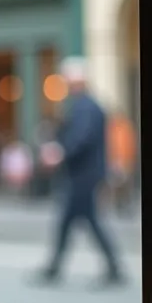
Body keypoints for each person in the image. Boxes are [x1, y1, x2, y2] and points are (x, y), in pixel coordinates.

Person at [37, 58, 123, 285]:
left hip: (84, 175)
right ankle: (56, 268)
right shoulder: (87, 104)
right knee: (76, 221)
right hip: (84, 174)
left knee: (83, 221)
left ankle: (111, 268)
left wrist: (60, 152)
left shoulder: (84, 106)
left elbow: (81, 137)